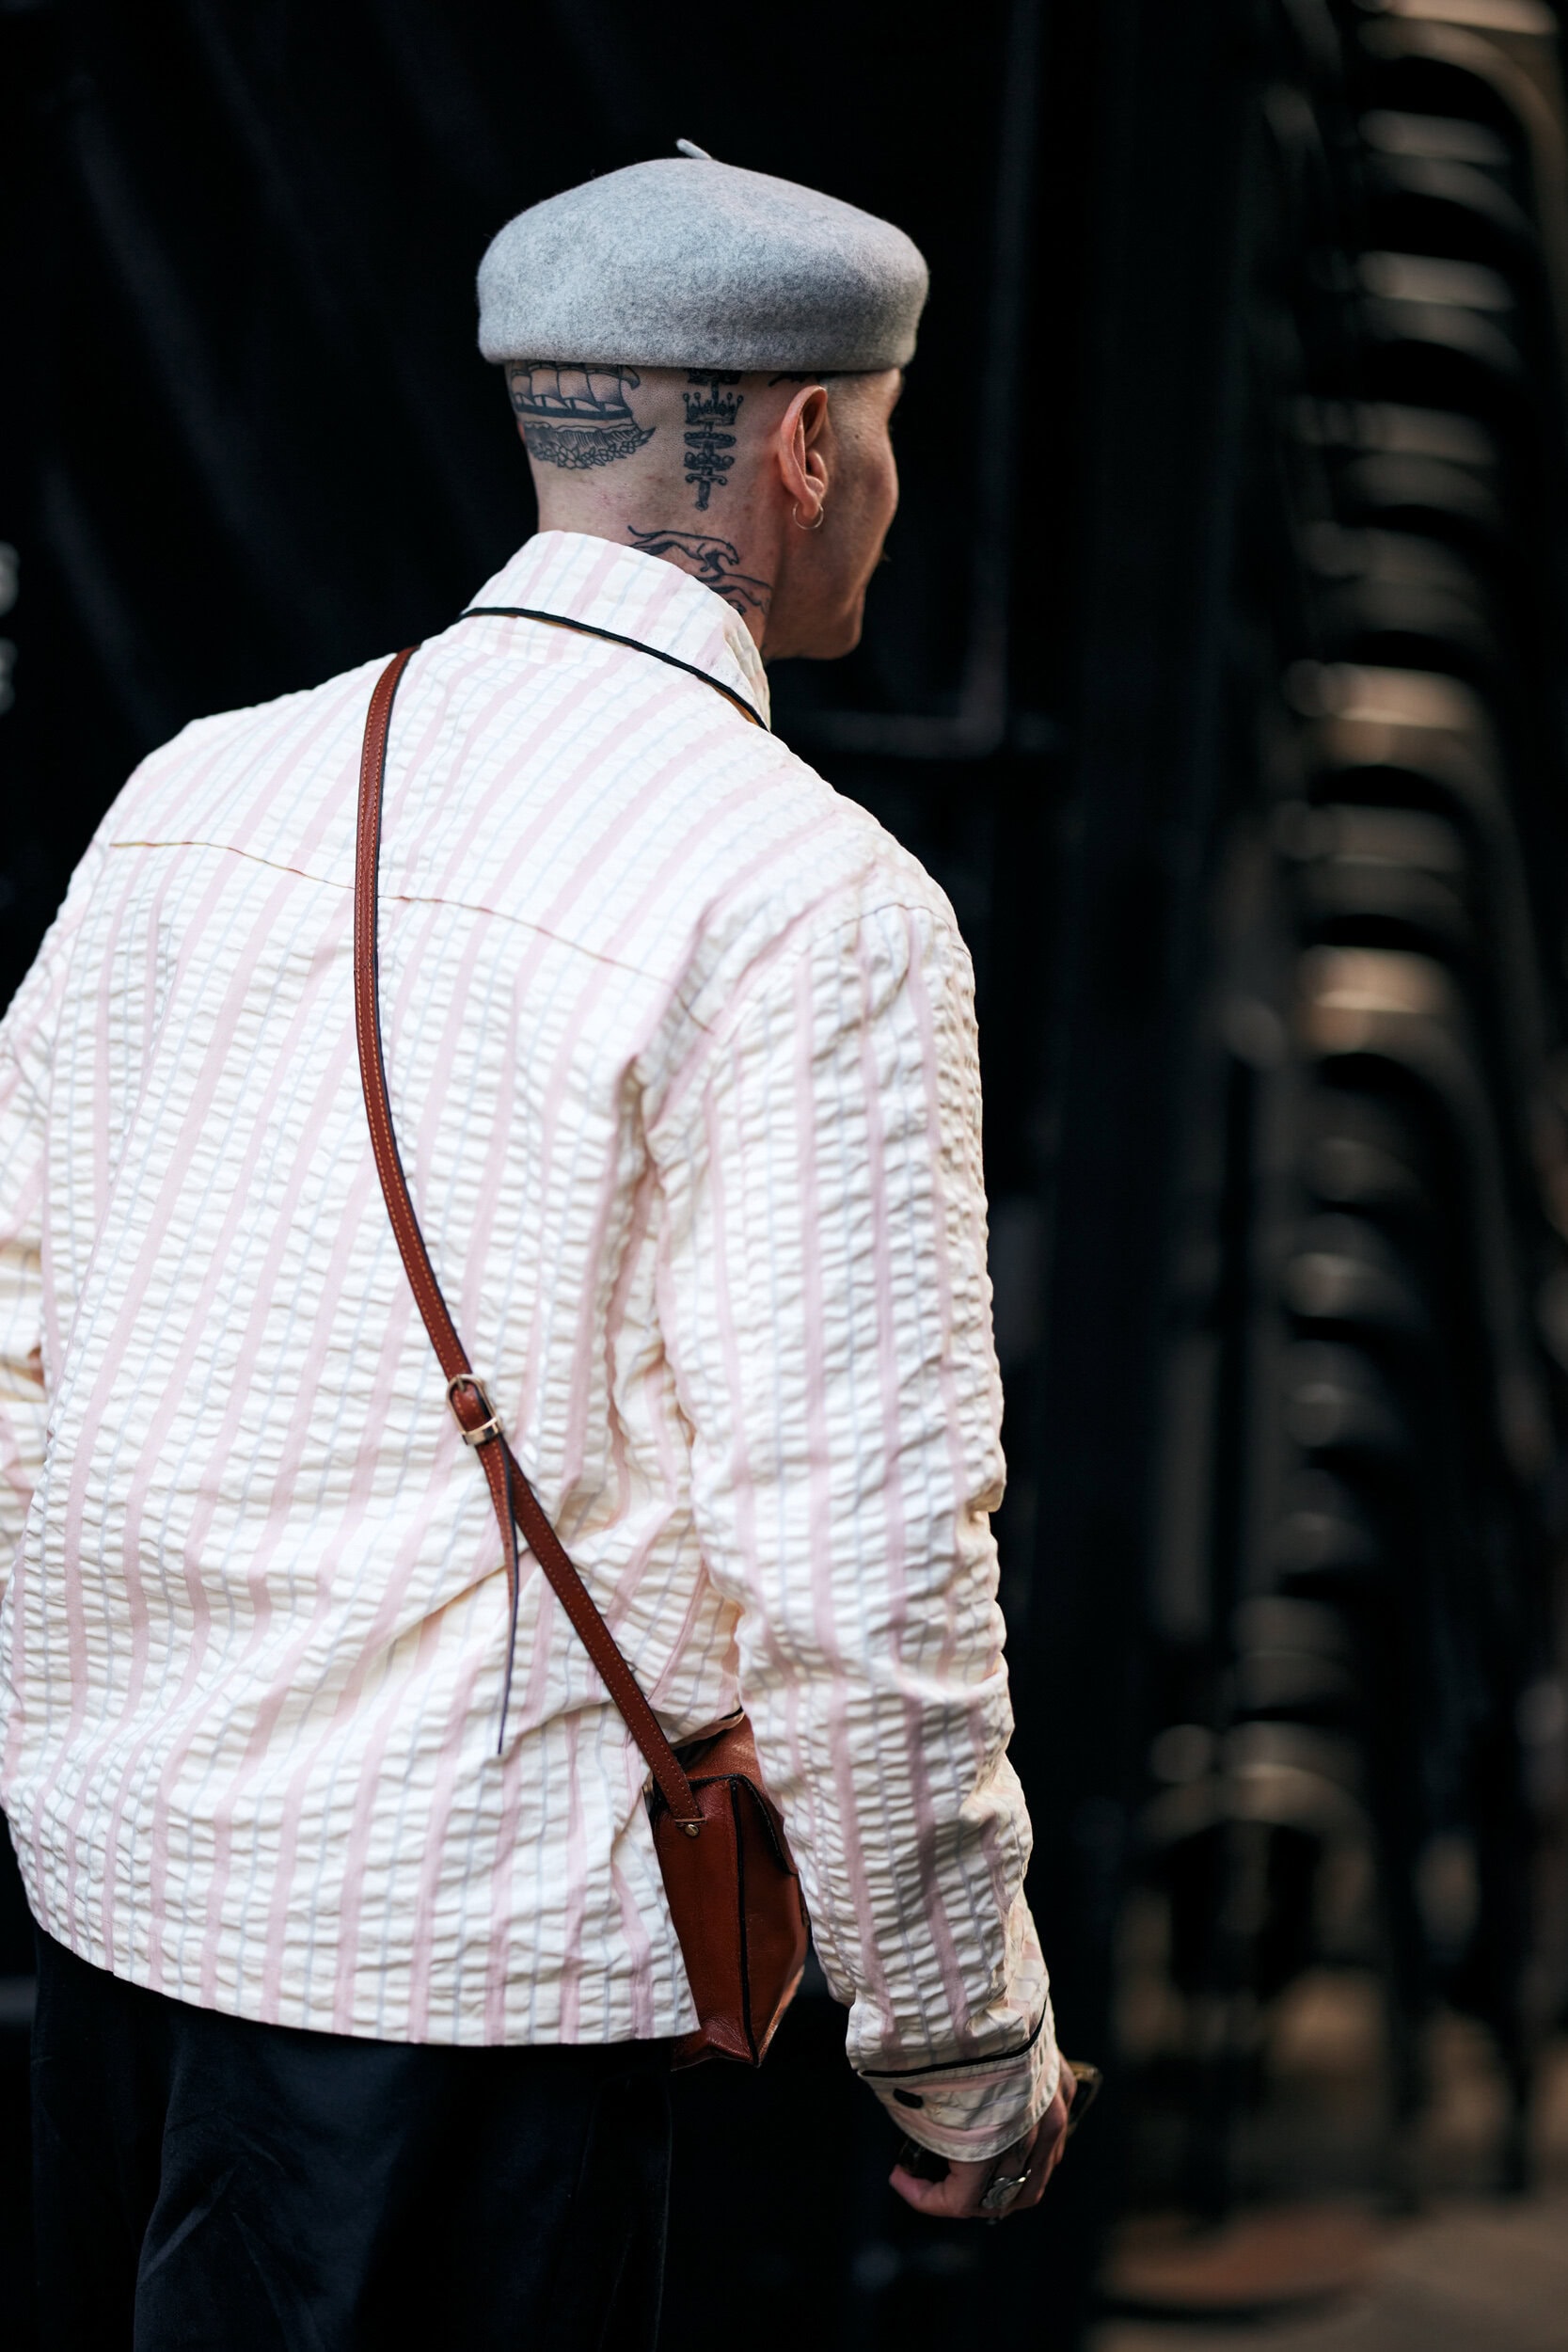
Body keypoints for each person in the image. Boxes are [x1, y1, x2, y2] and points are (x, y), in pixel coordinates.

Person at [0, 150, 1069, 2346]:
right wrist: (964, 2035)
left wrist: (123, 1748)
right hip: (459, 1988)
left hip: (115, 1935)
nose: (887, 488)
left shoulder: (197, 788)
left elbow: (20, 1338)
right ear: (804, 442)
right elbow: (863, 1549)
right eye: (884, 433)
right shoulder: (813, 901)